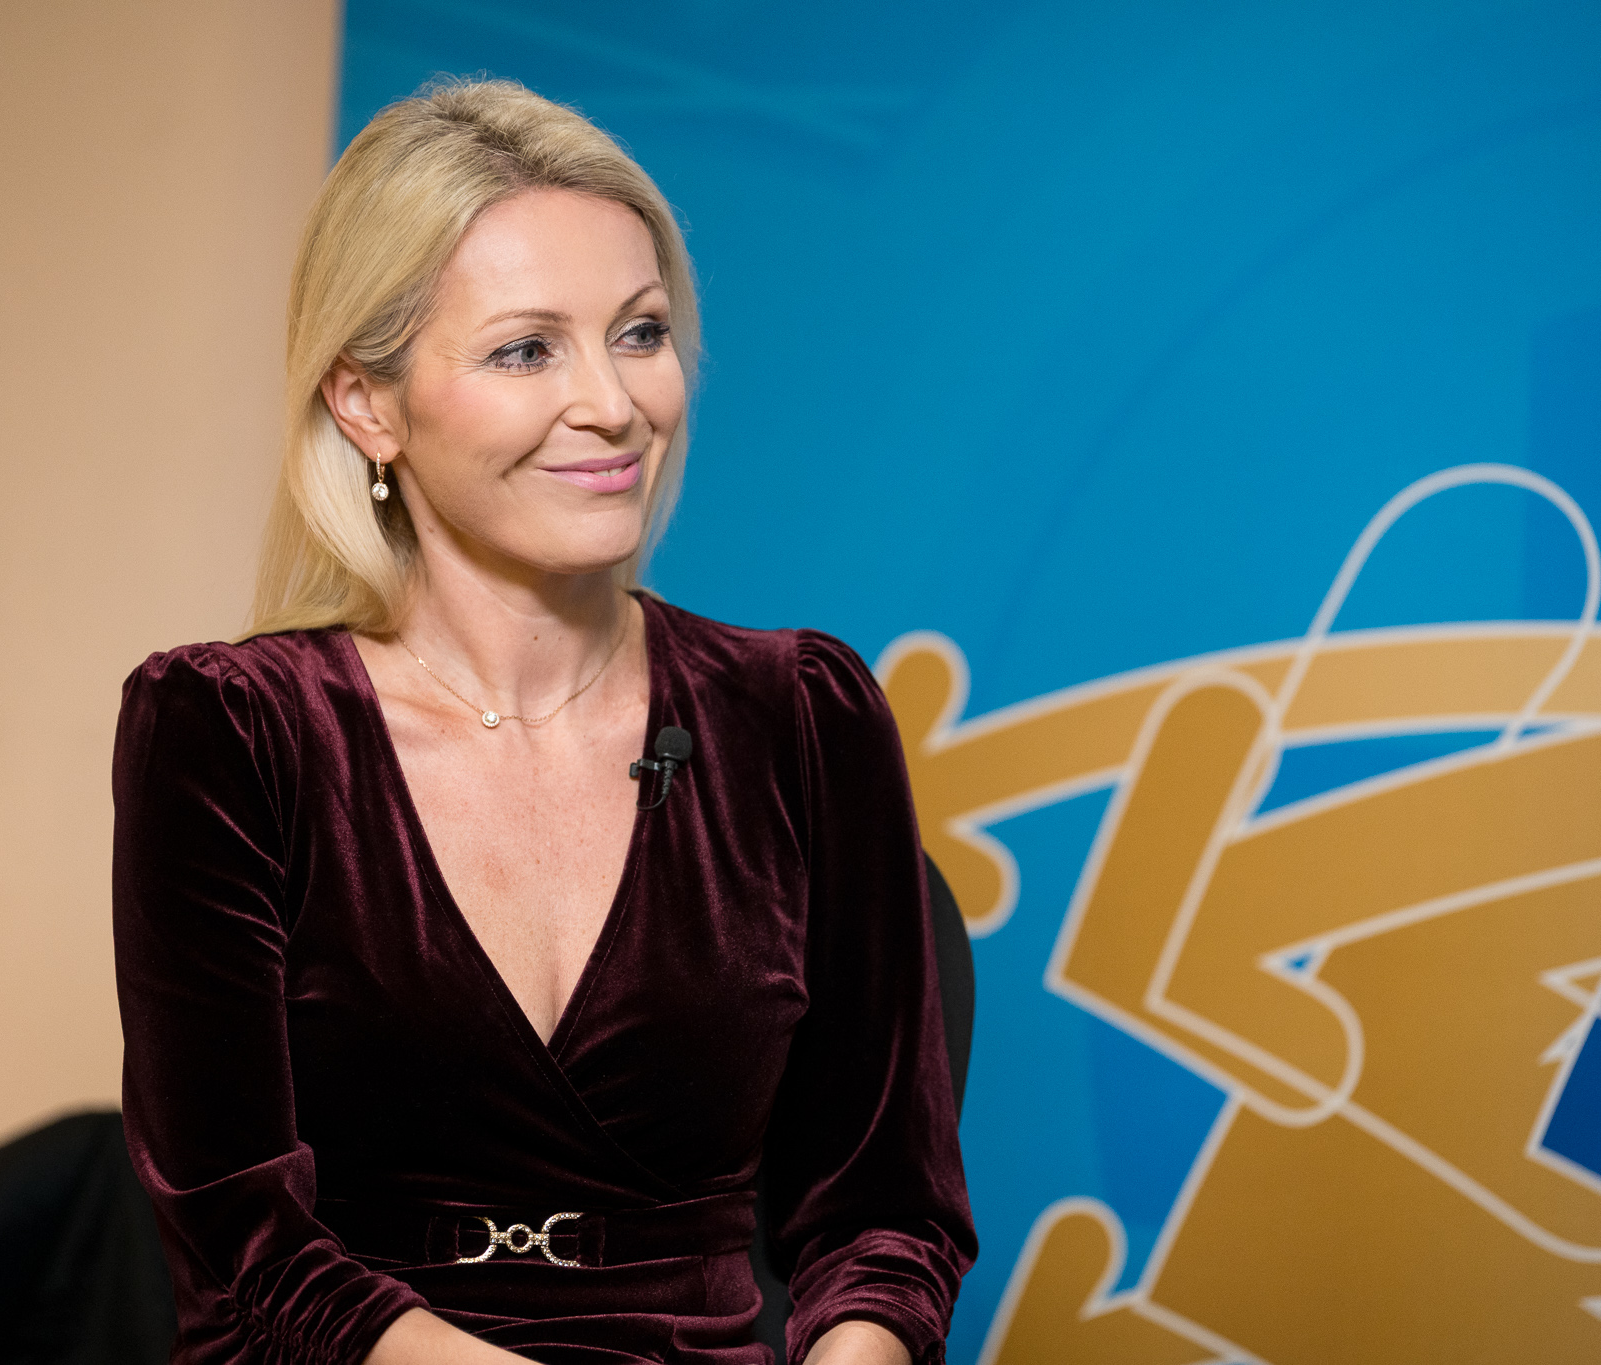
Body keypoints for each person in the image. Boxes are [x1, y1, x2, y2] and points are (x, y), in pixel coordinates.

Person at [111, 80, 974, 1365]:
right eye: (526, 351)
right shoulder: (229, 732)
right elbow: (248, 1259)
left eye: (639, 333)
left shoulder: (802, 714)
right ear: (366, 403)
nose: (613, 404)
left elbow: (883, 1217)